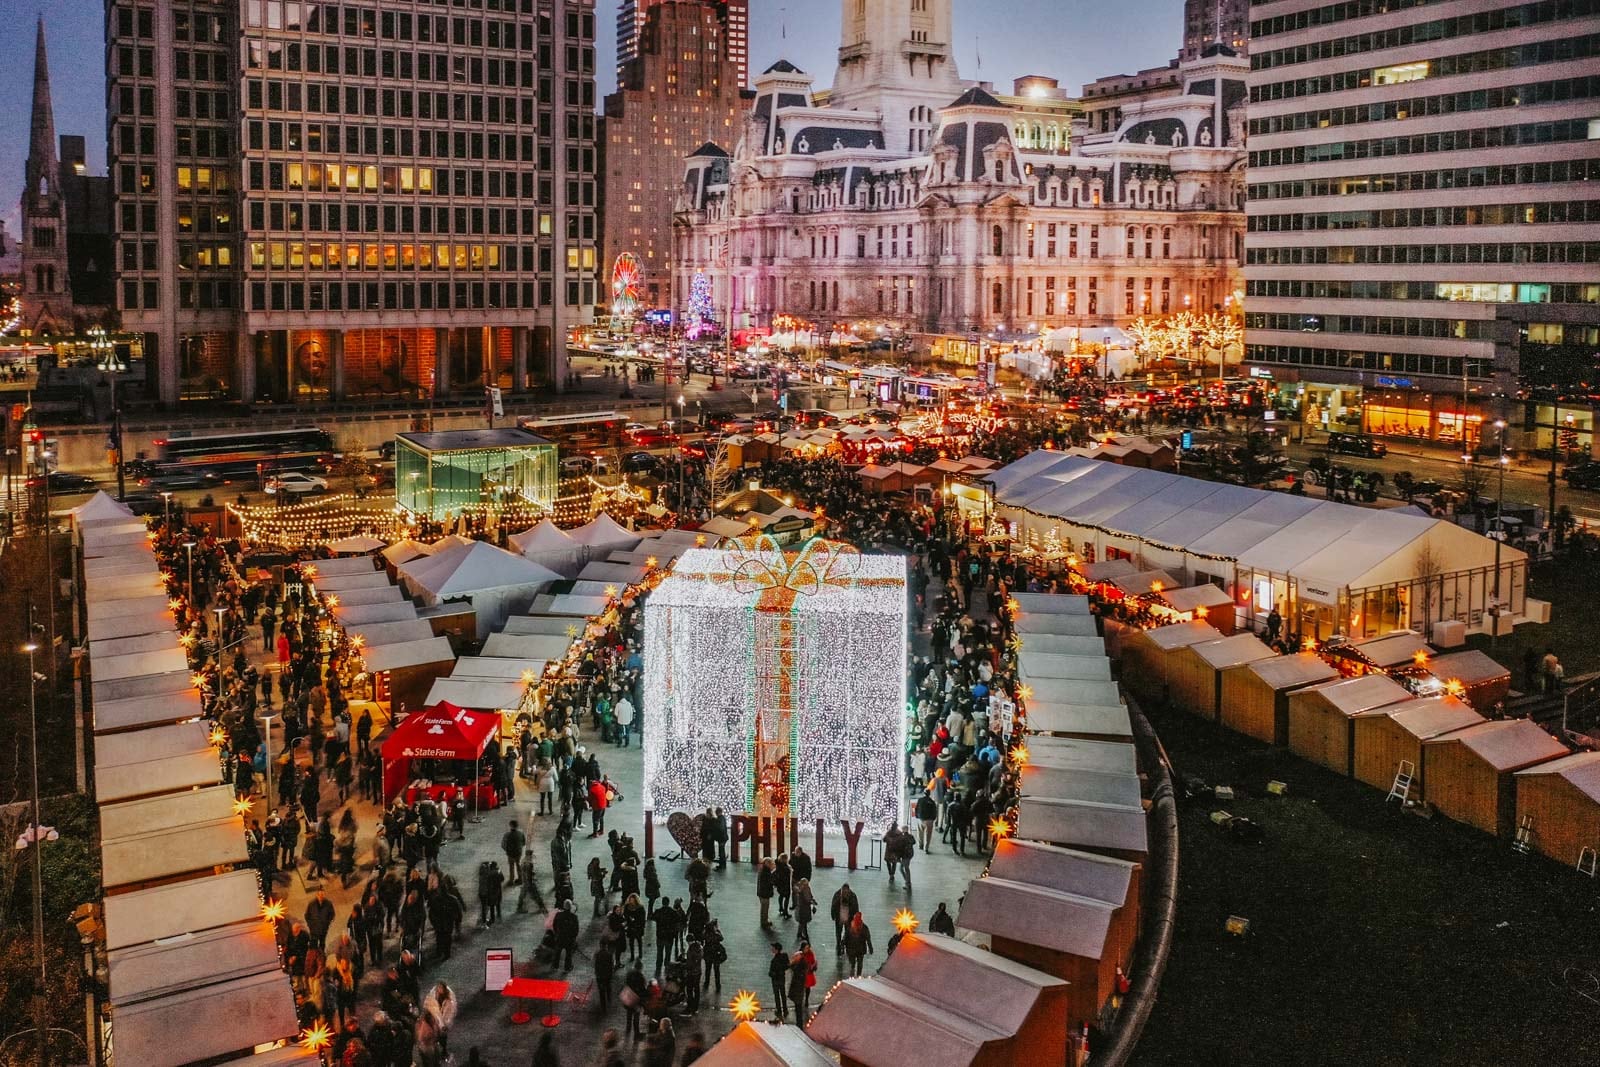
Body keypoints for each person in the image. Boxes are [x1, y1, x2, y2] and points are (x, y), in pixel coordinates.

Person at [830, 882, 859, 952]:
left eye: (846, 891)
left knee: (847, 932)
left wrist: (855, 917)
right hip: (839, 917)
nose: (845, 893)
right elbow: (833, 906)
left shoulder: (852, 895)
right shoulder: (837, 895)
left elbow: (855, 907)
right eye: (844, 891)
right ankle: (838, 943)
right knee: (838, 932)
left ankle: (845, 943)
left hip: (849, 917)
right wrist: (833, 915)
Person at [517, 848, 547, 913]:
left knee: (522, 895)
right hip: (529, 882)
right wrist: (531, 881)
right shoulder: (529, 863)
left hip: (525, 882)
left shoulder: (523, 861)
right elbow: (529, 874)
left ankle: (519, 908)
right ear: (529, 855)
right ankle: (542, 908)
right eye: (531, 855)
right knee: (536, 895)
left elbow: (523, 872)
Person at [552, 901, 579, 971]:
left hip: (560, 937)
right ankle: (567, 968)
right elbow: (576, 929)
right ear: (570, 908)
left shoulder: (558, 915)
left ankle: (555, 966)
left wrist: (556, 934)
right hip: (569, 939)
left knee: (557, 953)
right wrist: (573, 937)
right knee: (568, 954)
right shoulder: (574, 917)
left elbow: (554, 925)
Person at [844, 913, 874, 977]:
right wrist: (870, 948)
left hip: (853, 949)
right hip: (859, 949)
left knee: (854, 963)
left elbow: (845, 937)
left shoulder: (850, 927)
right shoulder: (864, 927)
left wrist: (843, 945)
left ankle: (854, 974)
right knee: (858, 963)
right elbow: (868, 938)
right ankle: (858, 975)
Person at [787, 950, 810, 1027]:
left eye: (796, 956)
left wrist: (793, 964)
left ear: (800, 956)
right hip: (797, 988)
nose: (794, 958)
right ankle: (799, 1023)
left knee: (798, 1006)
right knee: (797, 1006)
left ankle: (799, 1023)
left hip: (798, 988)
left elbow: (798, 973)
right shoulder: (800, 964)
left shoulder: (801, 965)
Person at [767, 942, 790, 1021]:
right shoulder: (784, 956)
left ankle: (779, 1011)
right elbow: (787, 965)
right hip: (782, 979)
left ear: (776, 950)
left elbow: (771, 972)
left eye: (773, 948)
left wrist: (772, 974)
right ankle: (785, 1010)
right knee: (783, 994)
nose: (772, 949)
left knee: (777, 996)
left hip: (776, 980)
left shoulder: (774, 961)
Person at [502, 819, 527, 884]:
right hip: (518, 852)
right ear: (517, 826)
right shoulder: (521, 833)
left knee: (511, 866)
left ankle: (511, 880)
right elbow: (524, 843)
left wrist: (507, 850)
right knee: (518, 865)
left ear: (510, 826)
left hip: (510, 853)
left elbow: (503, 845)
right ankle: (520, 879)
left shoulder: (507, 835)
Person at [793, 878, 815, 944]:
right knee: (803, 922)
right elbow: (807, 899)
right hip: (803, 909)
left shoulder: (803, 889)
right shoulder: (803, 890)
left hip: (803, 908)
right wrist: (812, 901)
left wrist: (812, 900)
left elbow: (809, 896)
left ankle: (800, 933)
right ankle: (804, 934)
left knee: (802, 922)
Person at [756, 858, 775, 927]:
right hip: (765, 893)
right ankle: (764, 922)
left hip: (761, 892)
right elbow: (769, 882)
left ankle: (764, 920)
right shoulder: (766, 873)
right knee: (765, 908)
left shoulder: (762, 870)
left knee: (764, 908)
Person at [773, 853, 793, 919]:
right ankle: (785, 912)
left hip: (780, 885)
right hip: (786, 885)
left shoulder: (778, 866)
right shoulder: (786, 868)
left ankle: (780, 908)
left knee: (781, 896)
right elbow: (787, 877)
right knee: (787, 898)